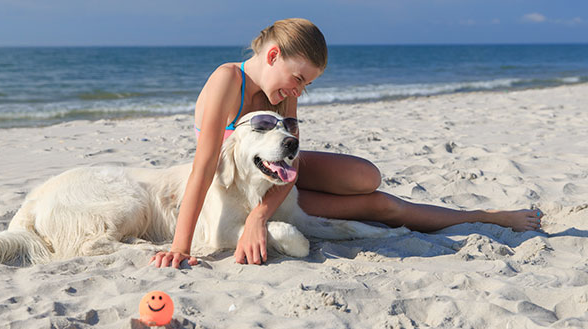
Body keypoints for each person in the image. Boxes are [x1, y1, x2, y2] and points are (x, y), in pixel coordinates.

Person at [150, 18, 543, 268]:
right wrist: (180, 248)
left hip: (276, 186)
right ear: (273, 55)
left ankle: (485, 216)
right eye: (299, 78)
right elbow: (202, 171)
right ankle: (488, 217)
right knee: (381, 207)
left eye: (307, 84)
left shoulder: (284, 95)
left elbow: (292, 165)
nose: (300, 91)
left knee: (368, 180)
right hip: (235, 191)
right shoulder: (227, 81)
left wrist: (260, 217)